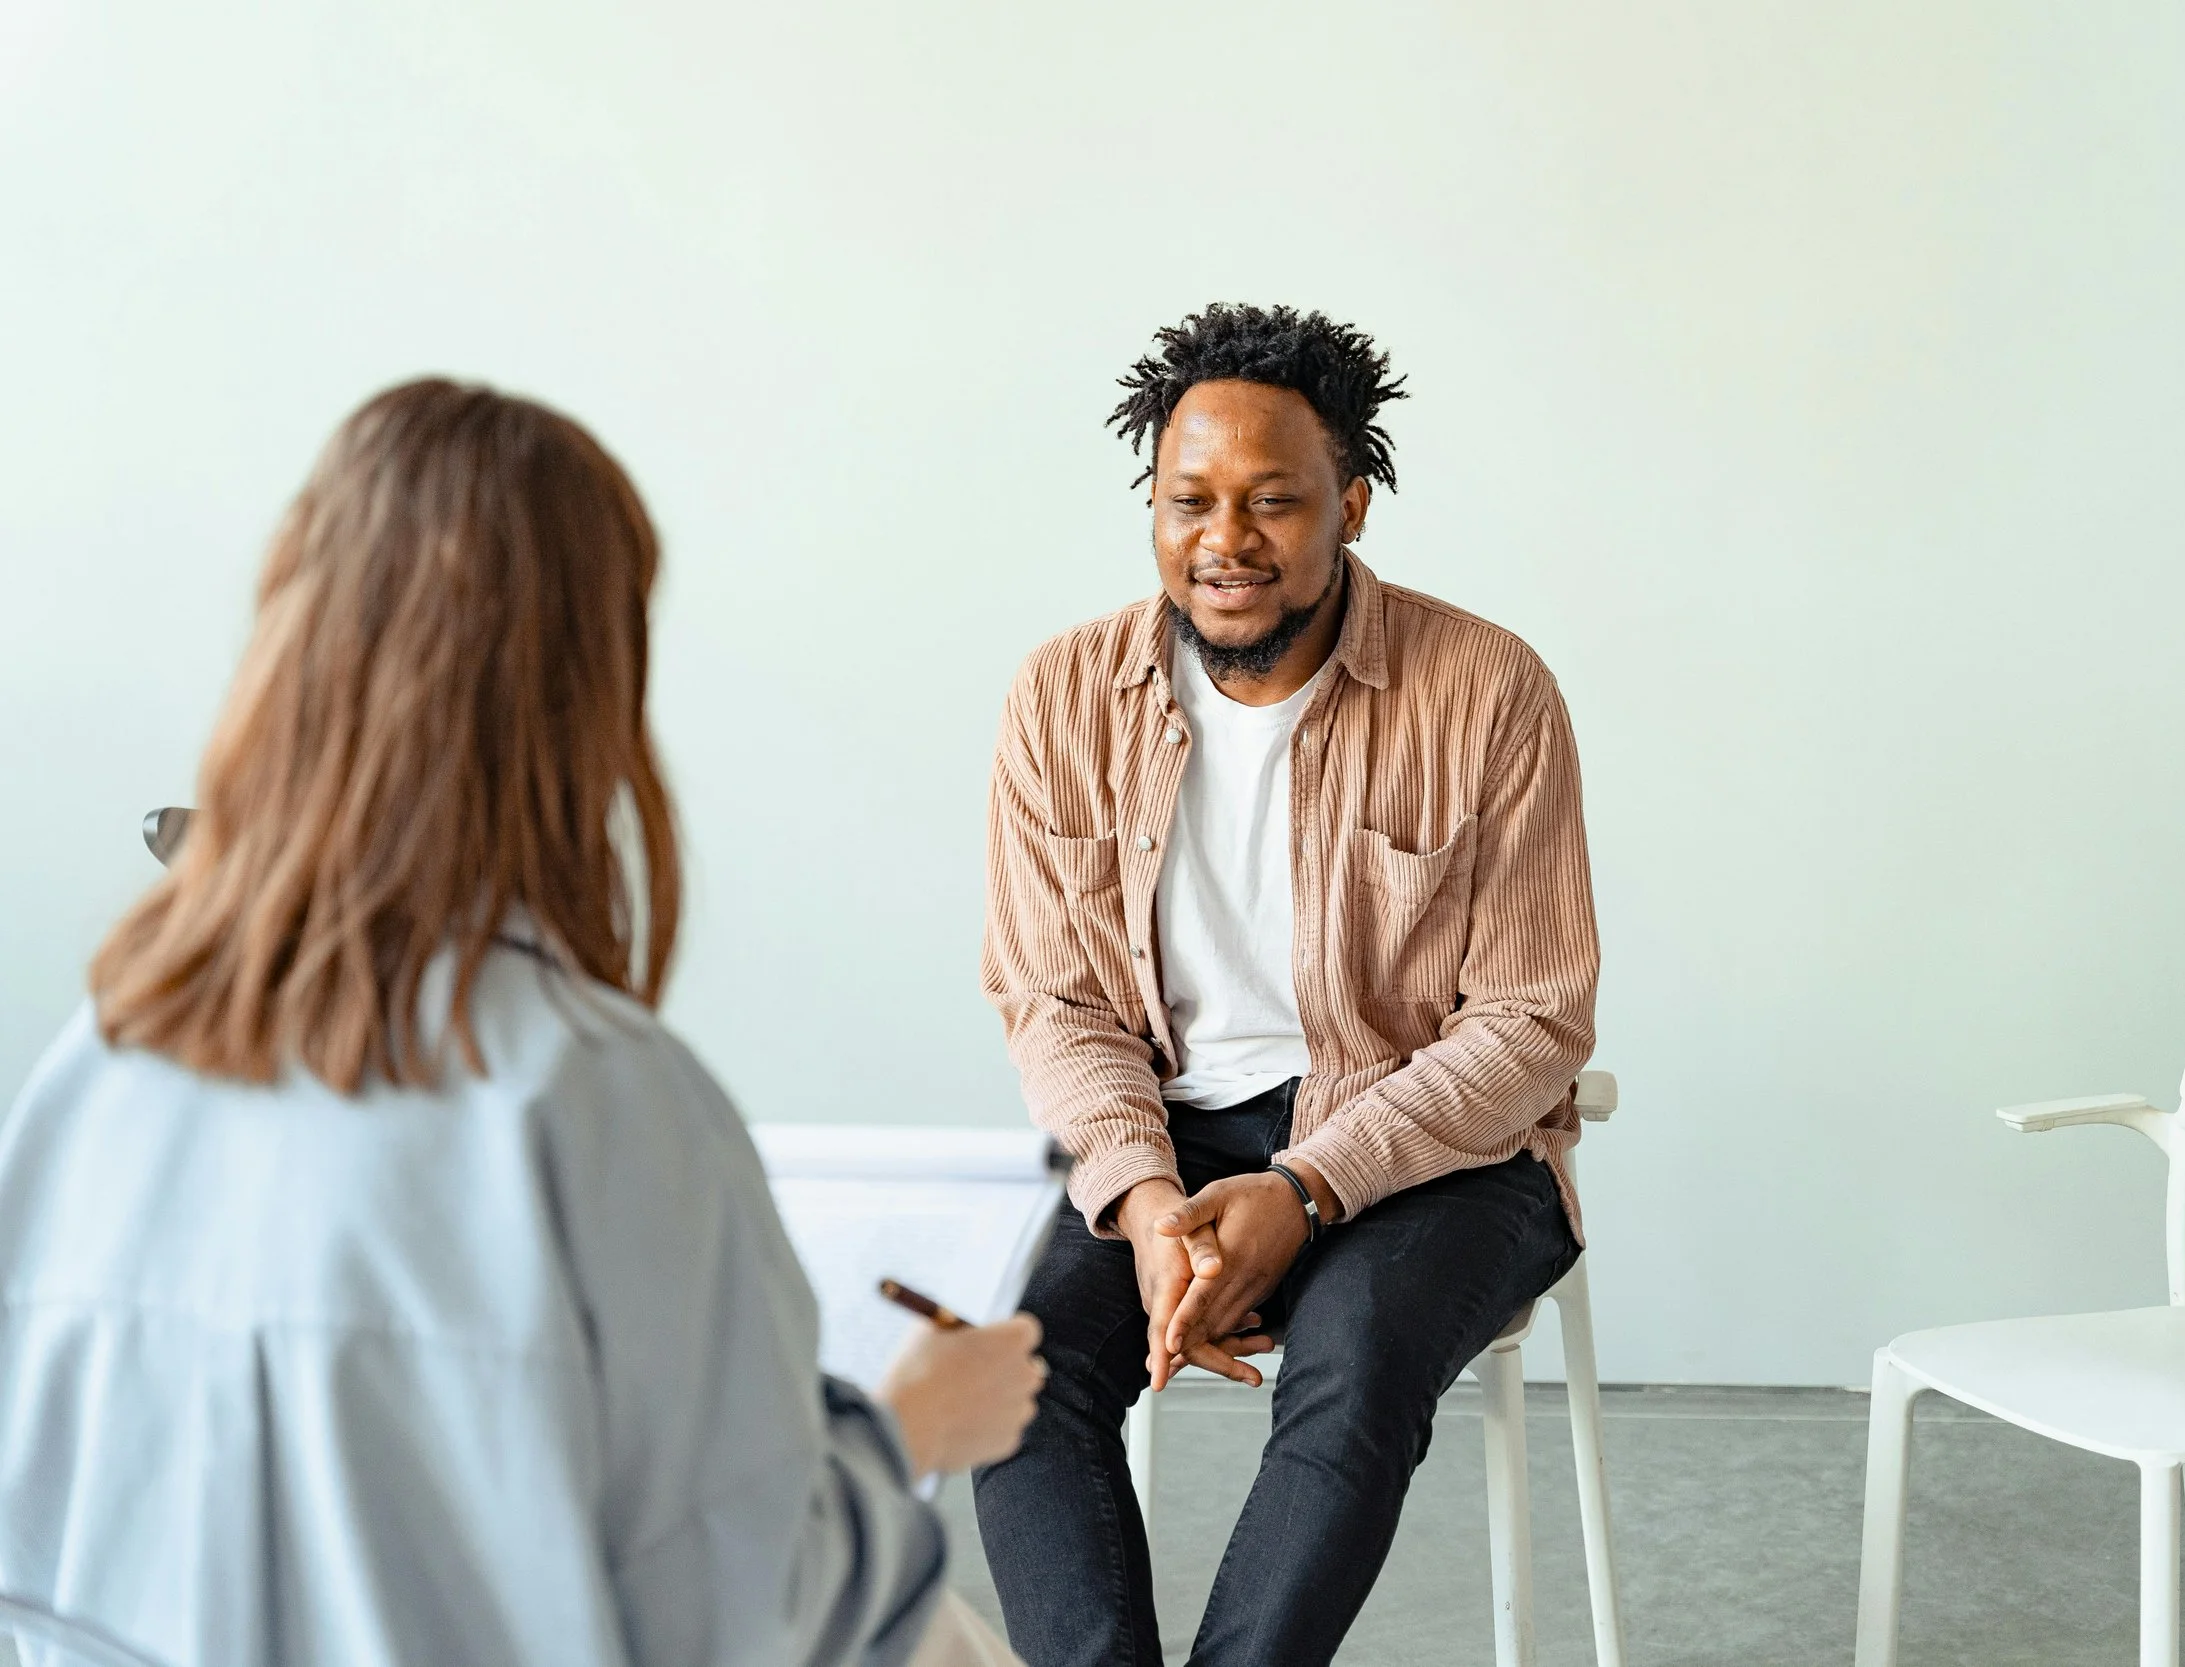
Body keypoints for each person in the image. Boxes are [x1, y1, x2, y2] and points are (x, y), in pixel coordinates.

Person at [0, 380, 1043, 1667]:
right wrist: (900, 1443)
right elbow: (746, 1623)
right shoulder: (600, 1101)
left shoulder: (100, 1068)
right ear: (587, 692)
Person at [974, 305, 1600, 1664]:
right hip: (1168, 1134)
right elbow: (1055, 998)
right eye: (1189, 500)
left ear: (1351, 505)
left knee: (1353, 1360)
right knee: (1014, 1372)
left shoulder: (1489, 690)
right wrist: (1145, 1203)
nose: (1226, 541)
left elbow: (1535, 1016)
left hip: (1432, 1148)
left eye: (1273, 501)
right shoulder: (1063, 698)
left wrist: (1308, 1187)